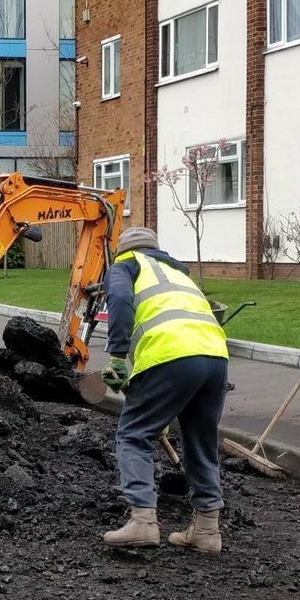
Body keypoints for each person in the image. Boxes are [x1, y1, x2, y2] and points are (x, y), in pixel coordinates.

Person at [98, 226, 230, 553]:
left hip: (169, 354)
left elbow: (119, 300)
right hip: (215, 356)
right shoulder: (177, 272)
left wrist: (116, 357)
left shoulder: (125, 266)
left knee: (133, 434)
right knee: (200, 440)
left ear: (123, 251)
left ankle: (143, 521)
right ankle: (207, 530)